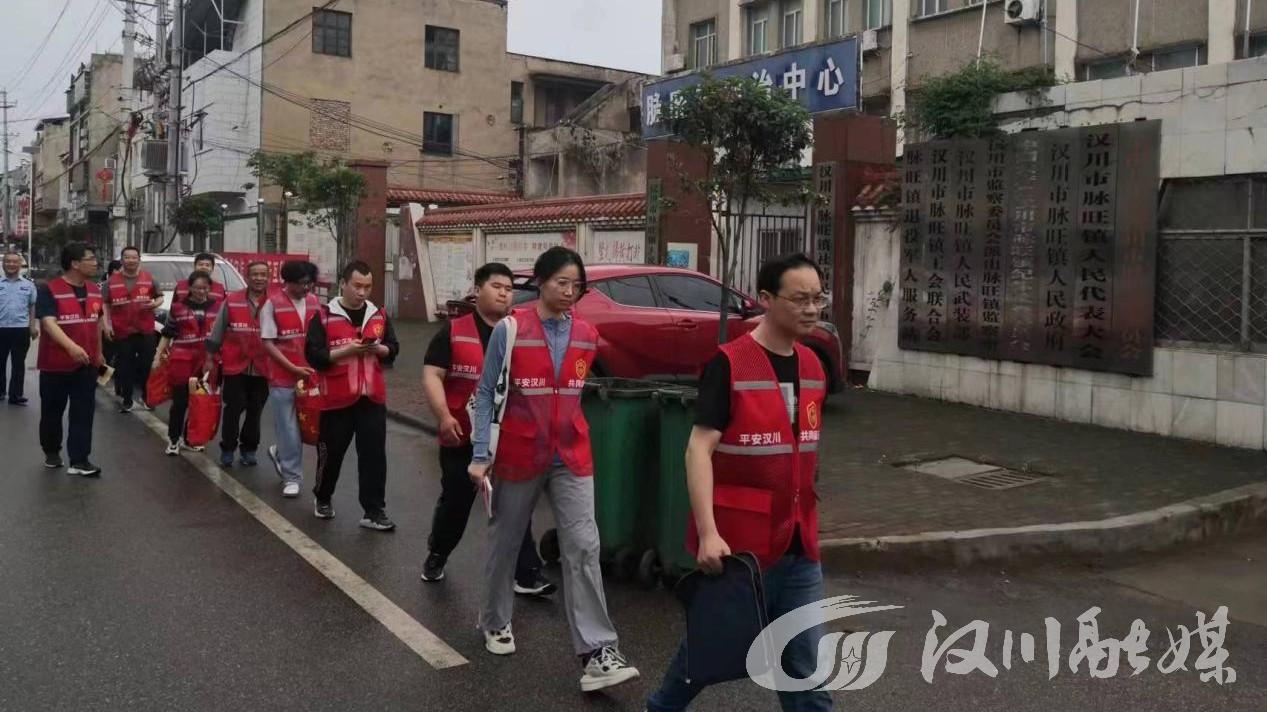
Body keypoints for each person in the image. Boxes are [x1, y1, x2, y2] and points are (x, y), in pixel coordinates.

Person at [646, 254, 831, 712]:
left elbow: (800, 449)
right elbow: (698, 450)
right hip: (742, 548)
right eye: (799, 299)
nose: (811, 309)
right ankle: (664, 706)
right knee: (711, 647)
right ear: (766, 300)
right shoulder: (729, 364)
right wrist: (708, 532)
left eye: (817, 299)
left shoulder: (813, 365)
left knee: (804, 663)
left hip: (799, 542)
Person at [470, 246, 639, 693]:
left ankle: (598, 651)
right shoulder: (510, 328)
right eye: (562, 282)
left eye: (576, 285)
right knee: (505, 541)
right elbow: (487, 392)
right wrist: (480, 451)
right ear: (541, 282)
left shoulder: (586, 334)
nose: (569, 292)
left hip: (571, 456)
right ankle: (494, 620)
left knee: (583, 547)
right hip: (519, 455)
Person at [419, 262, 554, 597]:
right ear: (477, 290)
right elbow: (432, 375)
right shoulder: (453, 331)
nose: (504, 293)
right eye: (496, 286)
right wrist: (443, 416)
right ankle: (438, 553)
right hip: (462, 437)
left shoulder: (521, 332)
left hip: (510, 438)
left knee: (514, 505)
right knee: (456, 502)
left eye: (509, 288)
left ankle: (527, 573)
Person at [305, 261, 400, 531]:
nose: (362, 292)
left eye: (367, 287)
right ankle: (323, 496)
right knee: (331, 453)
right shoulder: (324, 316)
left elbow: (393, 347)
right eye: (357, 286)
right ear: (343, 284)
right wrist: (346, 351)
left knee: (373, 456)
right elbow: (314, 355)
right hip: (336, 399)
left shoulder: (378, 314)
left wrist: (382, 350)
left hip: (371, 398)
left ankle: (374, 510)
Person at [36, 242, 106, 476]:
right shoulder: (49, 290)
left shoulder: (95, 289)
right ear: (75, 264)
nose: (95, 262)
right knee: (52, 412)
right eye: (90, 258)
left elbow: (96, 323)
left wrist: (99, 353)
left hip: (85, 365)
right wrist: (71, 347)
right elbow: (48, 323)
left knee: (83, 413)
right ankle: (52, 451)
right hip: (55, 364)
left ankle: (79, 460)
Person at [261, 260, 320, 497]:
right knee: (288, 428)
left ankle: (280, 453)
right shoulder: (272, 304)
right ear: (288, 282)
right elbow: (268, 343)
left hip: (311, 376)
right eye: (302, 284)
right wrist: (292, 368)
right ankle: (291, 477)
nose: (307, 288)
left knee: (311, 426)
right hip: (283, 377)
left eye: (309, 283)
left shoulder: (315, 303)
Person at [206, 261, 272, 468]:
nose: (259, 278)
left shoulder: (275, 302)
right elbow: (218, 330)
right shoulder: (232, 300)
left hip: (264, 366)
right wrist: (209, 357)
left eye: (263, 274)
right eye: (255, 274)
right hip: (235, 365)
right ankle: (227, 448)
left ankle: (249, 449)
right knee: (233, 409)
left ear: (268, 277)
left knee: (255, 411)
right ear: (247, 275)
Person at [155, 271, 221, 455]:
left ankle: (190, 437)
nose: (201, 291)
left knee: (199, 401)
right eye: (198, 288)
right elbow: (168, 333)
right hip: (182, 361)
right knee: (180, 401)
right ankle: (173, 439)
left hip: (207, 362)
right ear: (190, 288)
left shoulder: (218, 307)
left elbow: (225, 334)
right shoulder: (177, 308)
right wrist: (158, 355)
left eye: (205, 288)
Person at [103, 246, 163, 413]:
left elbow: (159, 297)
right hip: (122, 330)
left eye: (134, 257)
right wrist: (106, 325)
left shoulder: (149, 279)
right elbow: (105, 304)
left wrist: (154, 304)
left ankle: (146, 397)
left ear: (138, 259)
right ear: (122, 260)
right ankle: (127, 399)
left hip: (145, 330)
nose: (130, 260)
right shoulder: (111, 282)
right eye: (127, 257)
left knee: (146, 366)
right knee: (124, 366)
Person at [0, 251, 38, 405]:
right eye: (8, 261)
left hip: (20, 329)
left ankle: (16, 395)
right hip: (1, 328)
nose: (11, 264)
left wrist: (32, 326)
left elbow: (32, 306)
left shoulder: (28, 285)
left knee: (18, 363)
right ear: (3, 264)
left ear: (20, 265)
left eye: (14, 262)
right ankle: (1, 391)